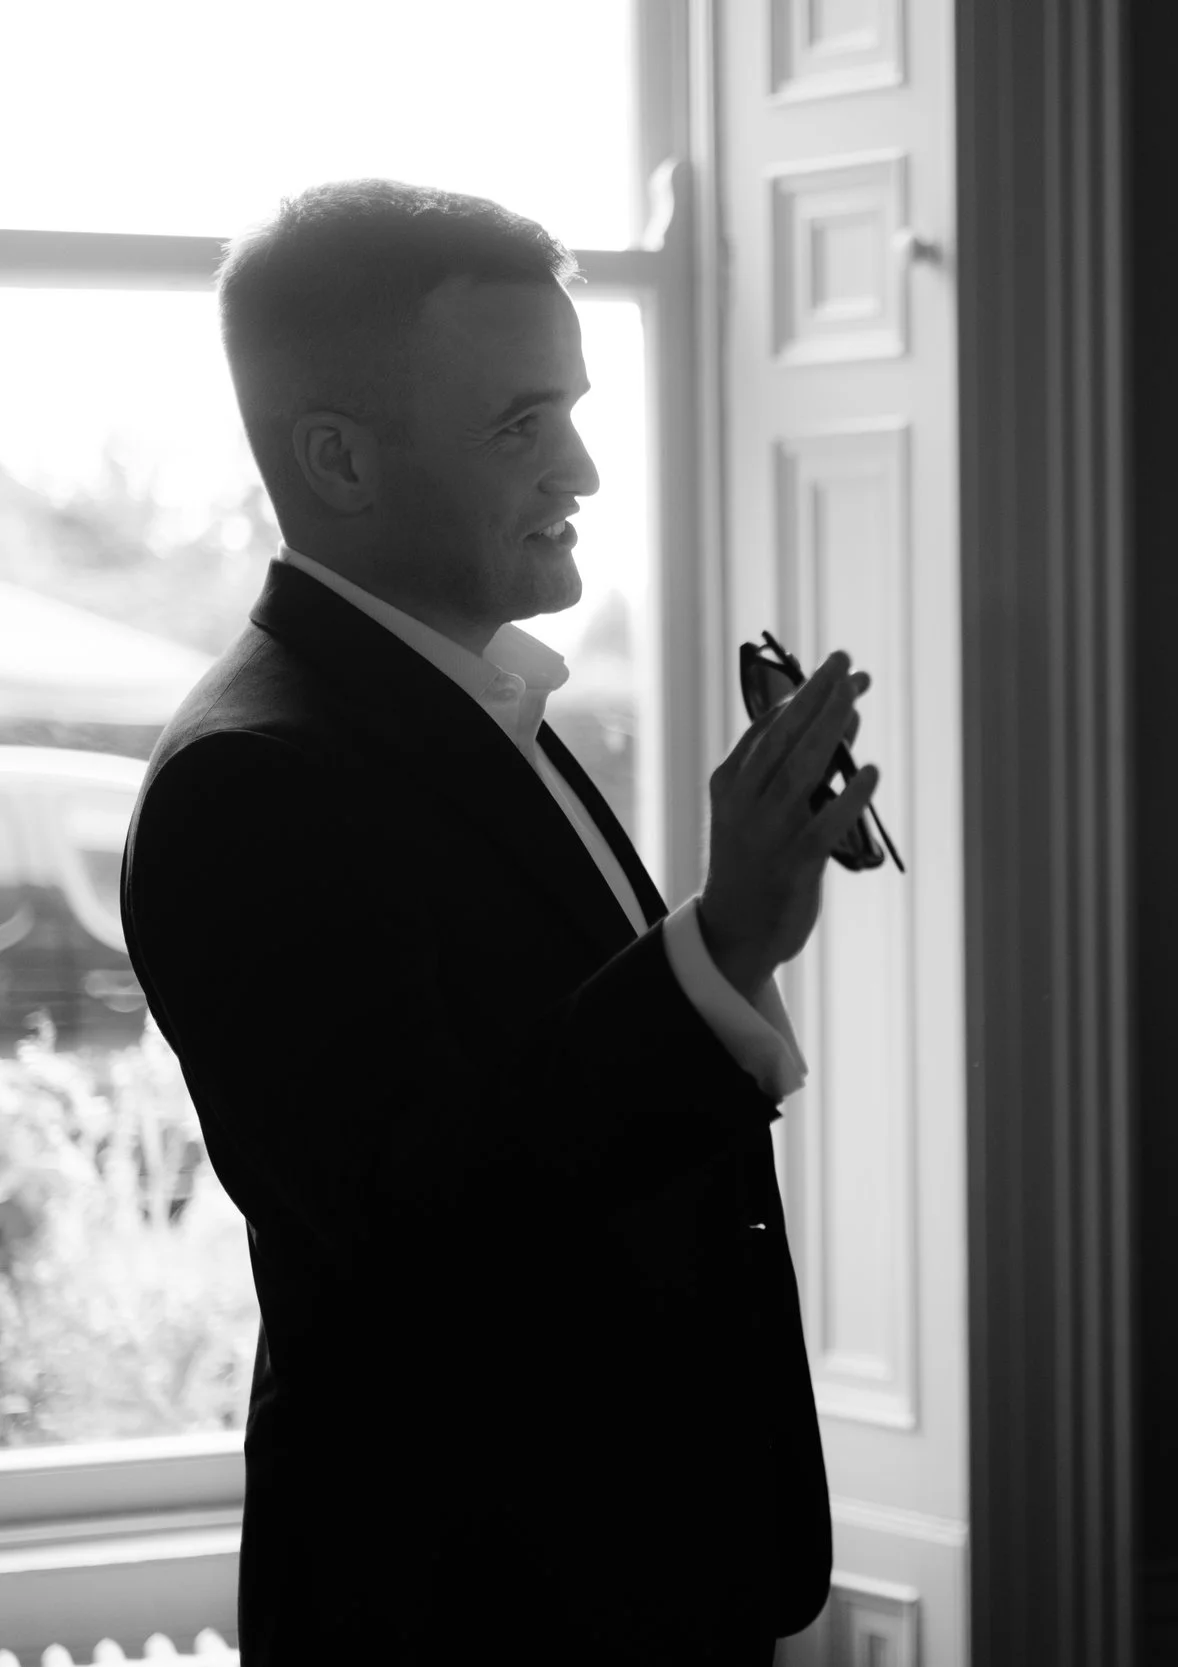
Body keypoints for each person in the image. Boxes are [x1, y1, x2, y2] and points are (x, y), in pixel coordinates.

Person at [120, 181, 881, 1664]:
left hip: (647, 1591)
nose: (585, 465)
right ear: (336, 458)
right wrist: (719, 945)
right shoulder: (248, 783)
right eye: (522, 423)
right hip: (475, 1616)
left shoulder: (477, 705)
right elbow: (414, 1235)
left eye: (576, 410)